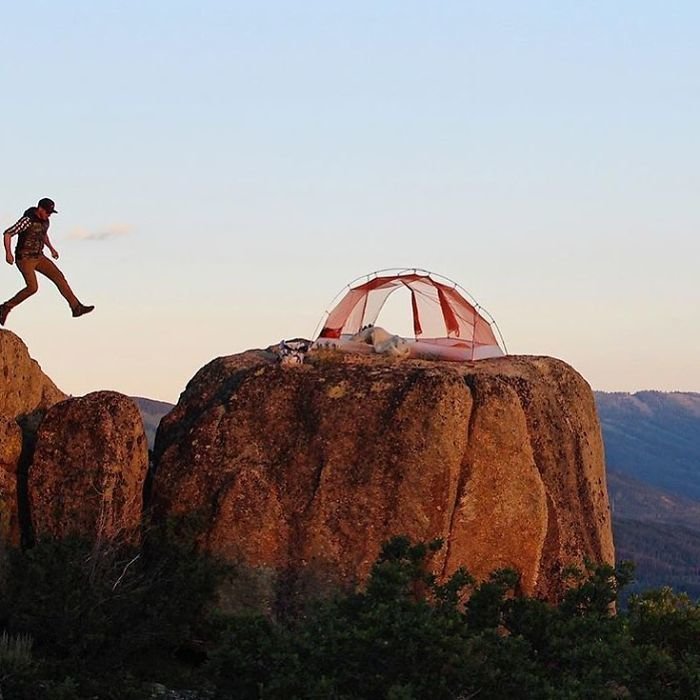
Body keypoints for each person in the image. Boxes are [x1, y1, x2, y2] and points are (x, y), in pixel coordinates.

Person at [0, 197, 94, 326]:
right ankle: (5, 307)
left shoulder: (46, 221)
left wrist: (51, 248)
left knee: (59, 277)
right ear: (40, 209)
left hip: (39, 257)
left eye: (50, 213)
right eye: (47, 212)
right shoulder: (27, 220)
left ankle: (76, 307)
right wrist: (8, 253)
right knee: (32, 288)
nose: (49, 215)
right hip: (25, 259)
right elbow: (7, 233)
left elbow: (42, 234)